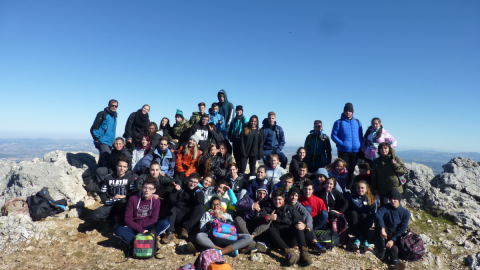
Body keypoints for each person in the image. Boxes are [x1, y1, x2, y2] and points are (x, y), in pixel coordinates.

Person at [255, 188, 313, 266]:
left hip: (290, 236)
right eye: (275, 199)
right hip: (277, 238)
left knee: (297, 223)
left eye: (279, 199)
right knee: (270, 229)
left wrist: (303, 224)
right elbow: (256, 219)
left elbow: (299, 218)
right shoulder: (269, 209)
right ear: (272, 199)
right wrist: (268, 217)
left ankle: (304, 252)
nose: (277, 202)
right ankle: (289, 253)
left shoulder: (290, 208)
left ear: (284, 199)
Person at [114, 177, 170, 245]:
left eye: (150, 188)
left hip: (147, 227)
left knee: (165, 222)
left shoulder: (156, 200)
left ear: (154, 190)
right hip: (134, 227)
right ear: (142, 188)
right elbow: (128, 220)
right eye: (145, 187)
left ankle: (142, 240)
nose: (147, 190)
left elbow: (154, 219)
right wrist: (140, 229)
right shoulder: (133, 199)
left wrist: (143, 230)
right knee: (118, 229)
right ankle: (141, 243)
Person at [161, 173, 205, 243]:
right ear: (188, 180)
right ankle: (169, 232)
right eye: (191, 181)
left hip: (189, 215)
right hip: (179, 212)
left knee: (201, 208)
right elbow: (171, 197)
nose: (192, 184)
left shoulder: (198, 191)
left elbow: (201, 202)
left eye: (195, 182)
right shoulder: (181, 187)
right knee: (171, 206)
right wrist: (176, 202)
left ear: (198, 183)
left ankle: (185, 229)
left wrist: (197, 190)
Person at [92, 156, 136, 222]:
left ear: (127, 168)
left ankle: (119, 220)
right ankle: (110, 219)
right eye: (120, 166)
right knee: (97, 216)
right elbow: (102, 193)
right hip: (111, 203)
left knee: (123, 202)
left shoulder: (131, 178)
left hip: (124, 204)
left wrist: (123, 196)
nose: (121, 168)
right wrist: (108, 201)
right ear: (116, 166)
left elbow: (133, 193)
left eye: (124, 167)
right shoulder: (108, 178)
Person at [331, 102, 363, 191]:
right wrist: (342, 144)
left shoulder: (358, 122)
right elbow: (333, 136)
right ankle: (340, 188)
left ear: (352, 112)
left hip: (356, 151)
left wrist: (360, 145)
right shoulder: (339, 122)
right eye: (346, 111)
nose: (348, 112)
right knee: (342, 170)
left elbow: (361, 136)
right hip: (343, 151)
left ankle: (348, 189)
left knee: (351, 170)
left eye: (349, 111)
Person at [374, 190, 409, 270]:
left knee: (394, 249)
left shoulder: (405, 212)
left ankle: (394, 264)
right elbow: (377, 215)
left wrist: (393, 240)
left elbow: (402, 229)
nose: (392, 201)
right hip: (384, 232)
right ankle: (383, 249)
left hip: (395, 234)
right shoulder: (385, 207)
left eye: (394, 199)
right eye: (390, 199)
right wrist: (382, 228)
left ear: (399, 199)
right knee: (379, 226)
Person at [287, 186, 326, 253]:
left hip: (297, 229)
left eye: (296, 196)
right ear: (289, 195)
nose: (293, 197)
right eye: (292, 195)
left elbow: (307, 215)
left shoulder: (297, 205)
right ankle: (313, 244)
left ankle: (315, 244)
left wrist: (307, 226)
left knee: (306, 226)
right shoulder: (285, 204)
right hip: (289, 229)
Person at [234, 184, 271, 251]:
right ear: (256, 192)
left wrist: (259, 213)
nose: (262, 196)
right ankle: (250, 242)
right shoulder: (248, 198)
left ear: (266, 194)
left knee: (269, 217)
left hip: (257, 227)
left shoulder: (266, 204)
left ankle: (251, 238)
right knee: (238, 219)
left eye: (264, 194)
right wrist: (251, 206)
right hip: (245, 223)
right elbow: (237, 206)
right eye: (260, 193)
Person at [346, 180, 378, 252]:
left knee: (364, 215)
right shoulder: (352, 196)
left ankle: (364, 239)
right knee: (353, 213)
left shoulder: (372, 198)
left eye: (362, 188)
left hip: (366, 221)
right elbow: (347, 208)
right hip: (355, 221)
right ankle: (357, 238)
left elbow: (374, 212)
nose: (360, 189)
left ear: (366, 189)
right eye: (359, 188)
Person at [90, 99, 118, 167]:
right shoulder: (102, 114)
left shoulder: (114, 116)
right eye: (112, 105)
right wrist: (96, 139)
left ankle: (97, 174)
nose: (114, 107)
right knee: (107, 158)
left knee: (102, 159)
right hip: (102, 141)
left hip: (110, 142)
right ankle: (104, 176)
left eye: (116, 106)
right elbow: (94, 127)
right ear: (109, 105)